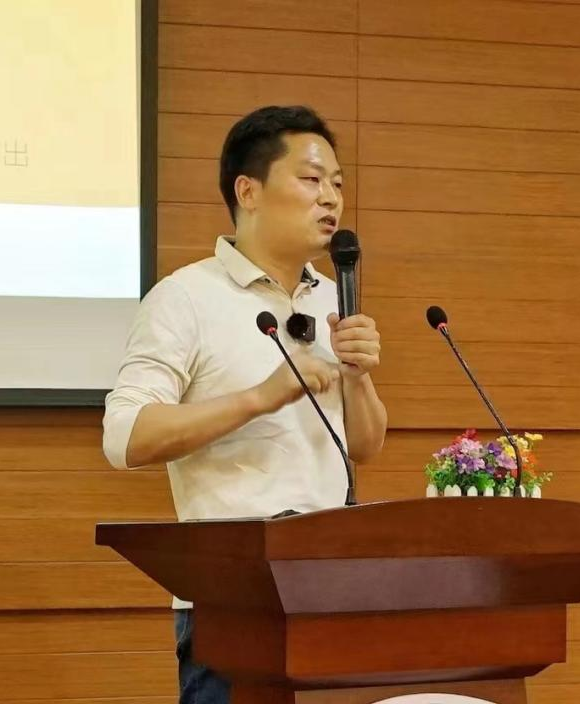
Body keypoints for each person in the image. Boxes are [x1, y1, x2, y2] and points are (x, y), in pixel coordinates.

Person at [102, 105, 388, 704]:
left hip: (332, 591)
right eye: (311, 179)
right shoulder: (185, 297)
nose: (331, 198)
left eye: (337, 183)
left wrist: (358, 378)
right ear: (248, 191)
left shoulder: (333, 297)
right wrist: (260, 397)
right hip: (232, 601)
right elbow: (125, 436)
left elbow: (364, 445)